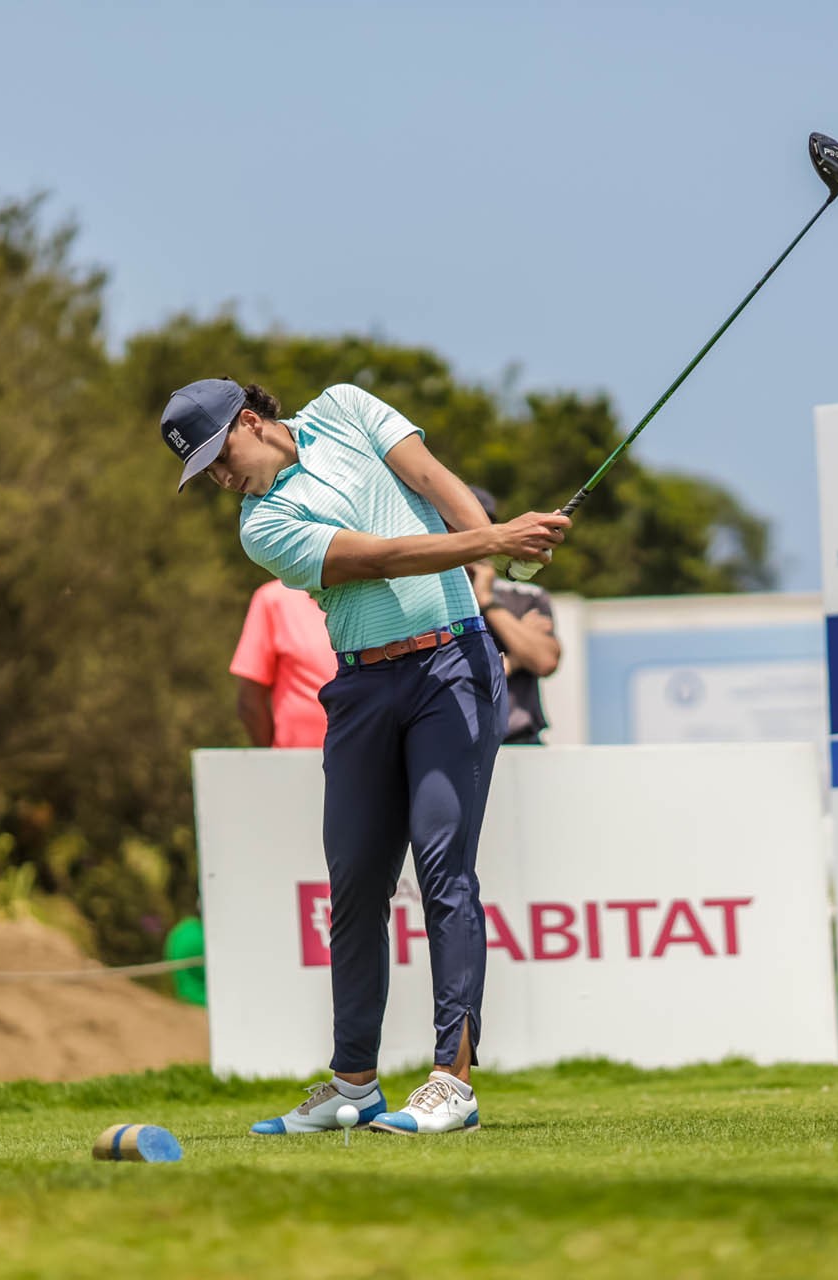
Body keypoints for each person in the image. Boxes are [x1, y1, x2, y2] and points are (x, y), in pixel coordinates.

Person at [160, 376, 568, 1137]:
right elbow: (380, 558)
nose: (221, 479)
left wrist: (502, 549)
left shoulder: (345, 407)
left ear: (250, 421)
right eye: (205, 472)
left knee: (444, 868)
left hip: (452, 667)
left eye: (220, 457)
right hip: (361, 687)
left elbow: (432, 479)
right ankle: (354, 1084)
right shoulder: (262, 525)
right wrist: (497, 540)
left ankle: (453, 1083)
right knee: (353, 887)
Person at [464, 486, 563, 745]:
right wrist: (517, 658)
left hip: (519, 741)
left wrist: (487, 601)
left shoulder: (526, 595)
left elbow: (544, 660)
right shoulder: (427, 593)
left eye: (482, 526)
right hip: (455, 743)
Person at [230, 579, 336, 748]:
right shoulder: (273, 598)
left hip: (366, 755)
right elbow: (250, 700)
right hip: (295, 758)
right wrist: (273, 760)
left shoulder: (372, 595)